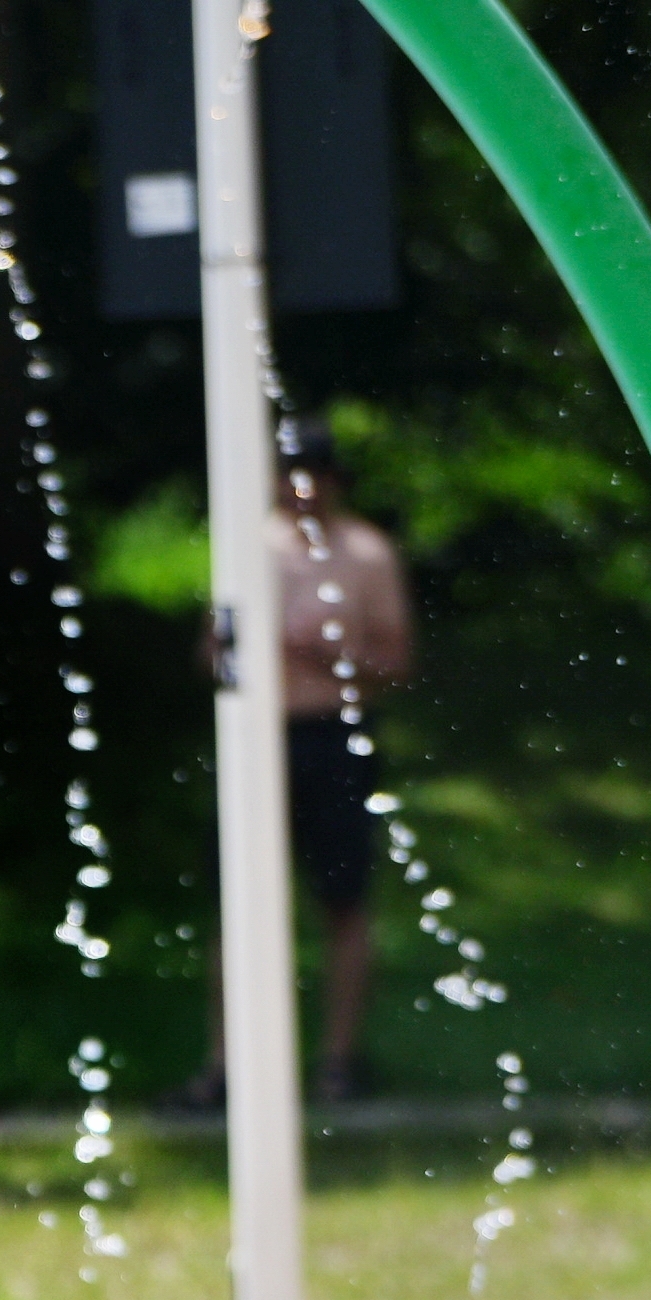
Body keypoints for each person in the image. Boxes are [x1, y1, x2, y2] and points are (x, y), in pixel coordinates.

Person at [172, 432, 417, 1112]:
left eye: (318, 475)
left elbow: (396, 664)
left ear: (338, 481)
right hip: (257, 736)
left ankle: (339, 1060)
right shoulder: (249, 547)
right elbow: (209, 657)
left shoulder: (366, 554)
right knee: (239, 906)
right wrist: (247, 646)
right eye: (292, 475)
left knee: (344, 898)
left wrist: (332, 652)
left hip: (334, 732)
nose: (304, 489)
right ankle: (226, 1064)